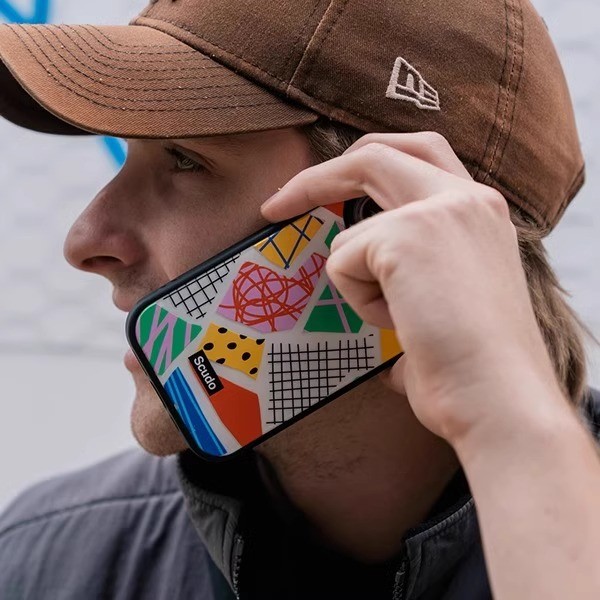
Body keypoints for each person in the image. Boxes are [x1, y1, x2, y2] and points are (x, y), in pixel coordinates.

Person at [0, 0, 599, 598]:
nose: (85, 241)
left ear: (385, 218)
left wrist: (510, 426)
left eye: (185, 159)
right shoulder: (45, 559)